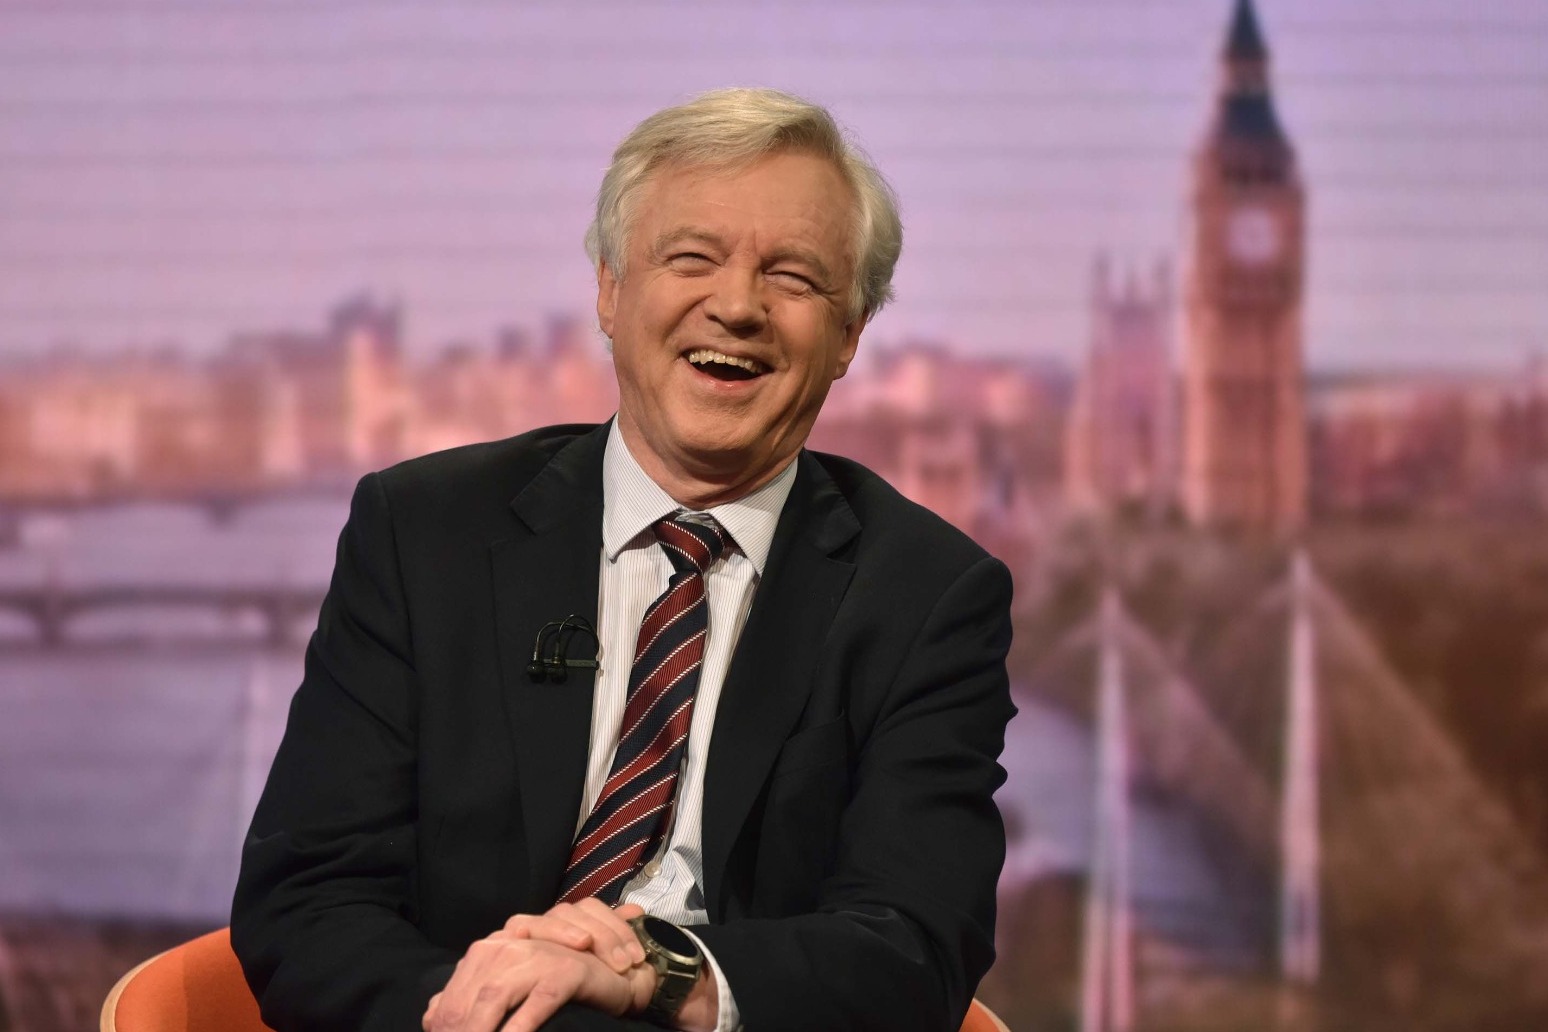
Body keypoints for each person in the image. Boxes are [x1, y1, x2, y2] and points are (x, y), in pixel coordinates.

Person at [232, 87, 1015, 1032]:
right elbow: (307, 904)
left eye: (794, 277)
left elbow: (914, 949)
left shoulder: (929, 598)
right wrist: (505, 1015)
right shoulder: (421, 534)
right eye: (692, 259)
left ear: (850, 335)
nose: (737, 306)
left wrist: (658, 972)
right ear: (609, 290)